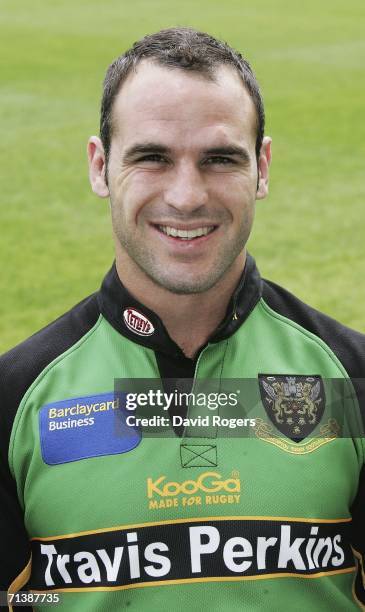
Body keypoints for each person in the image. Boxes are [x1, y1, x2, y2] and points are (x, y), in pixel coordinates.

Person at [1, 26, 365, 612]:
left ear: (263, 167)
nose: (188, 195)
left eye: (220, 158)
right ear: (100, 167)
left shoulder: (352, 381)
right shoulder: (16, 399)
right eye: (152, 158)